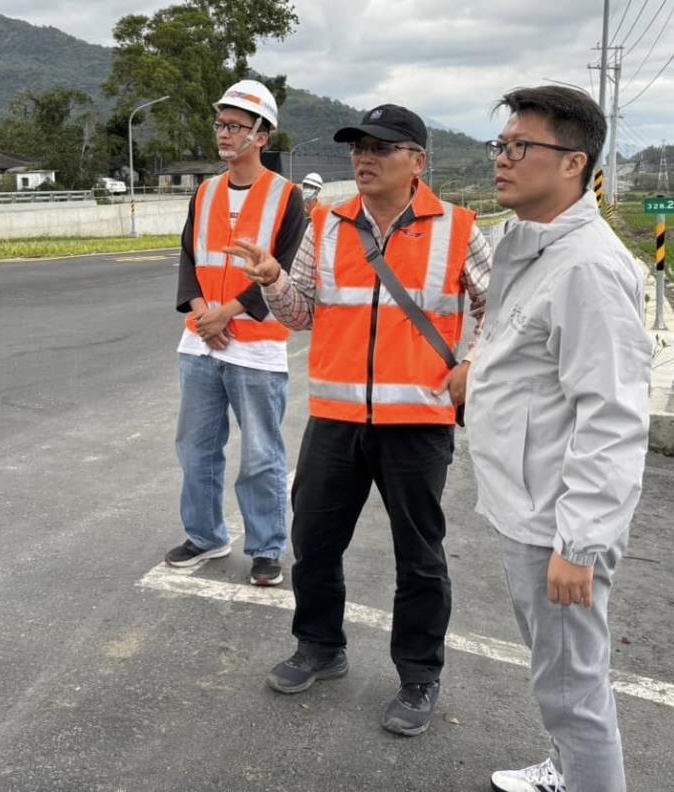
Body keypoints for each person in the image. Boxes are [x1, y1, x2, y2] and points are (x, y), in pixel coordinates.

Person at [225, 104, 492, 735]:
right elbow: (301, 314)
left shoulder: (458, 228)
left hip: (418, 422)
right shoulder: (330, 222)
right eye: (358, 147)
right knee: (314, 543)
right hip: (337, 416)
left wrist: (476, 361)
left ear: (417, 161)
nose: (364, 158)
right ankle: (319, 646)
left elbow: (501, 305)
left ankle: (419, 676)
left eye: (381, 147)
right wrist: (269, 281)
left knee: (420, 557)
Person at [465, 86, 651, 792]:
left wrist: (581, 543)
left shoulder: (588, 268)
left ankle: (588, 777)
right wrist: (476, 376)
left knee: (572, 687)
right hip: (527, 501)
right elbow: (532, 353)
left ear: (573, 163)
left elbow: (612, 415)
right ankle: (568, 770)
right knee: (559, 676)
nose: (503, 160)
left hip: (558, 521)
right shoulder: (531, 244)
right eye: (501, 145)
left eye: (521, 148)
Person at [165, 79, 306, 587]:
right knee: (196, 447)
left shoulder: (286, 198)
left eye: (235, 126)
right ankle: (205, 536)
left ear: (262, 135)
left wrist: (228, 312)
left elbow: (286, 268)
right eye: (221, 124)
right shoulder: (204, 191)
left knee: (261, 454)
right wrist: (204, 312)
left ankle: (267, 547)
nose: (224, 134)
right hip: (201, 341)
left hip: (257, 348)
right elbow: (188, 255)